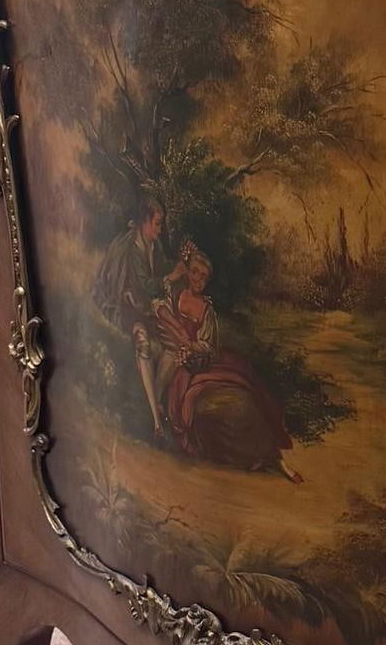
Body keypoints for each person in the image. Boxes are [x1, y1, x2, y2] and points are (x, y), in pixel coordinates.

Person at [149, 244, 302, 478]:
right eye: (194, 272)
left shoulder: (207, 310)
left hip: (198, 362)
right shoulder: (176, 293)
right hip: (178, 362)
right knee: (195, 407)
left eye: (203, 277)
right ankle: (249, 457)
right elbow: (158, 297)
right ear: (187, 272)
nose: (198, 280)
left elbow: (207, 345)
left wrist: (191, 348)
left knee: (243, 394)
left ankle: (272, 456)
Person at [92, 194, 171, 435]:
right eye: (157, 223)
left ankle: (154, 403)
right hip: (124, 306)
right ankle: (157, 421)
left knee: (174, 348)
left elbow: (160, 273)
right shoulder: (130, 247)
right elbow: (146, 284)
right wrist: (171, 278)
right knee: (143, 342)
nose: (160, 228)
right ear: (145, 222)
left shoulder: (153, 247)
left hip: (145, 308)